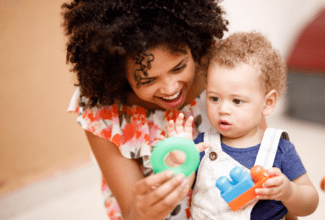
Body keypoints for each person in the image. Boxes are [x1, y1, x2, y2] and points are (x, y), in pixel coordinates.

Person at [62, 0, 230, 219]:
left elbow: (264, 151)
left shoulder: (222, 67)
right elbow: (132, 211)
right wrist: (142, 211)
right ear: (118, 74)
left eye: (179, 67)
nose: (171, 89)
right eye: (148, 79)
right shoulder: (102, 109)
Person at [168, 32, 319, 219]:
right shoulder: (203, 145)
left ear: (268, 103)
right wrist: (179, 160)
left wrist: (289, 192)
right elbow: (175, 194)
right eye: (214, 98)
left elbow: (310, 204)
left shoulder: (279, 149)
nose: (223, 109)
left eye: (237, 101)